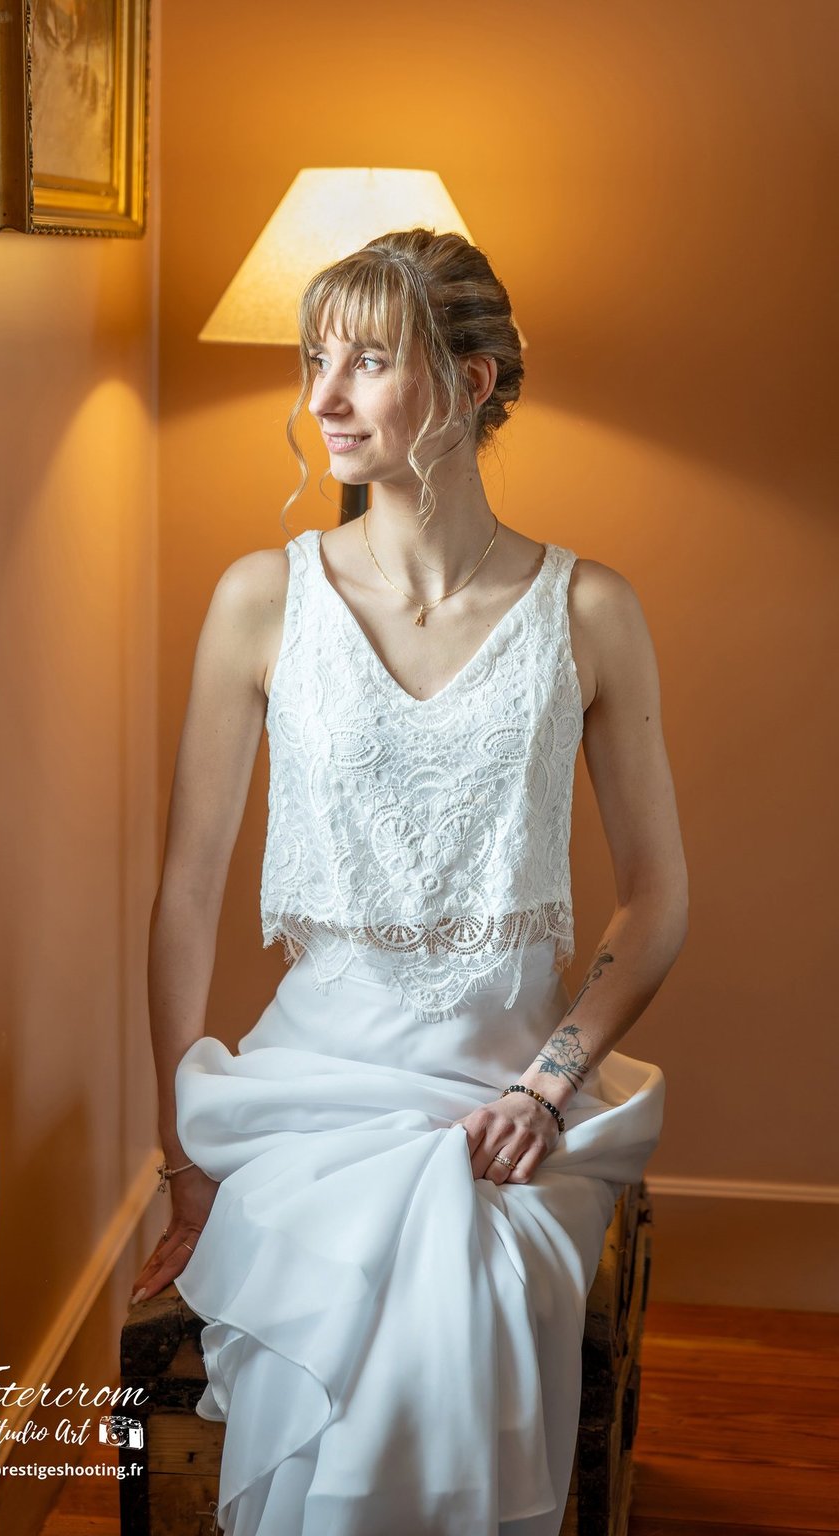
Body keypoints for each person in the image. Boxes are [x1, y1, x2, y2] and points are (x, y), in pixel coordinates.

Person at [129, 228, 687, 1536]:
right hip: (304, 1093)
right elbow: (182, 895)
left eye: (368, 362)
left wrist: (549, 1085)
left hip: (502, 1089)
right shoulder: (259, 604)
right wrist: (185, 1158)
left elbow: (658, 894)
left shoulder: (589, 610)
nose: (322, 396)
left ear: (474, 382)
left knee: (472, 1291)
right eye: (315, 360)